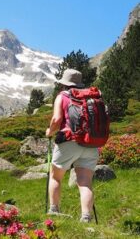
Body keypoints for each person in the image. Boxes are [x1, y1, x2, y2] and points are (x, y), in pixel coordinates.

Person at [46, 69, 99, 223]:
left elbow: (56, 119)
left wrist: (49, 131)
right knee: (85, 182)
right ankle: (86, 217)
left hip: (69, 140)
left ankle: (54, 210)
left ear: (64, 84)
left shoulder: (63, 96)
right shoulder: (92, 97)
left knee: (55, 177)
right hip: (91, 143)